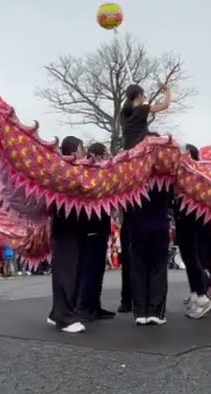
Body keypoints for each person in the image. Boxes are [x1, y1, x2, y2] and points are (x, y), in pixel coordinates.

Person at [117, 84, 174, 326]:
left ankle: (139, 312)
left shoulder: (125, 118)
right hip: (159, 222)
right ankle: (155, 311)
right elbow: (164, 106)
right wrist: (168, 91)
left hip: (135, 221)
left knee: (138, 265)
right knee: (158, 266)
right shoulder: (165, 174)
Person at [47, 136, 88, 333]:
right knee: (66, 272)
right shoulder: (64, 171)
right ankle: (65, 317)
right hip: (65, 228)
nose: (84, 152)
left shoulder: (69, 170)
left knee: (70, 272)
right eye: (81, 149)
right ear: (73, 151)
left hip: (72, 228)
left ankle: (58, 313)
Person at [174, 144, 211, 319]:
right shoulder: (188, 173)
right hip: (186, 222)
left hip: (192, 222)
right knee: (190, 259)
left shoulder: (195, 175)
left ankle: (202, 297)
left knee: (193, 259)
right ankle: (195, 295)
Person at [75, 142, 115, 320]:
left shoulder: (104, 175)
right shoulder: (88, 175)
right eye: (105, 154)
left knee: (98, 269)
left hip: (102, 227)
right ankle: (84, 306)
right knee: (90, 270)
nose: (108, 157)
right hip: (91, 228)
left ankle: (95, 305)